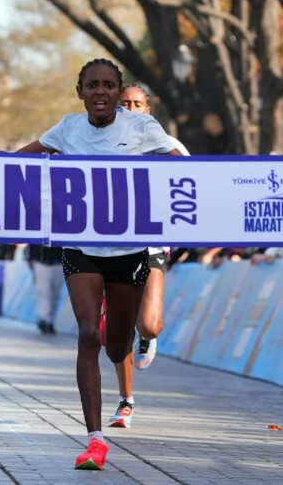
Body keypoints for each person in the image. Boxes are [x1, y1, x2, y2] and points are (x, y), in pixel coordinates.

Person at [0, 59, 183, 470]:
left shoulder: (141, 128)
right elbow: (14, 162)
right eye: (92, 85)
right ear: (79, 91)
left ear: (118, 91)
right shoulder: (67, 129)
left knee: (116, 346)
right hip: (80, 247)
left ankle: (120, 341)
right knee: (88, 335)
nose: (100, 92)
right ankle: (95, 440)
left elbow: (186, 171)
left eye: (109, 85)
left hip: (129, 251)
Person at [107, 84, 190, 429]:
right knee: (118, 334)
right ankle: (125, 401)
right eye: (124, 103)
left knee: (149, 324)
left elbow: (192, 184)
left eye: (137, 104)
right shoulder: (99, 142)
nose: (129, 109)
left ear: (148, 110)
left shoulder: (168, 145)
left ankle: (149, 337)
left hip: (152, 243)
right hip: (110, 247)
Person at [28, 244, 65, 334]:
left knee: (55, 294)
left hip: (58, 262)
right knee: (43, 292)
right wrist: (30, 259)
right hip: (41, 261)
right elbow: (31, 243)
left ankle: (51, 321)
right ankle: (44, 319)